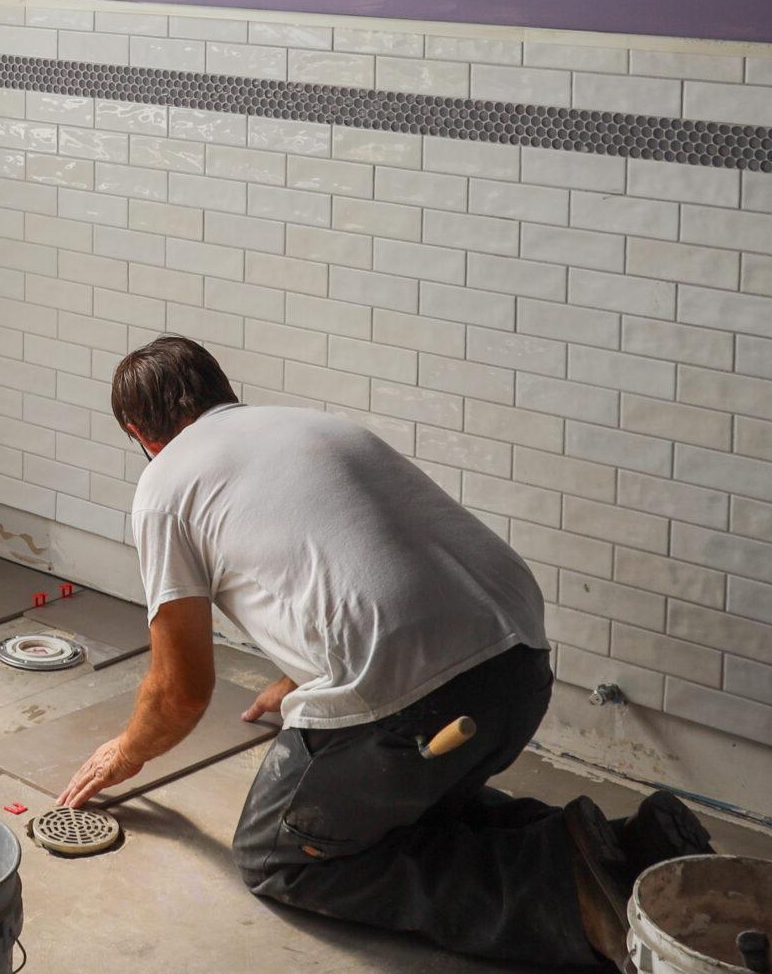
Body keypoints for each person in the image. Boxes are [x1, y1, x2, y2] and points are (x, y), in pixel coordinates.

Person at [59, 335, 711, 969]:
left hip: (426, 706)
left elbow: (180, 690)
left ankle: (564, 893)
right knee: (381, 802)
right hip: (520, 671)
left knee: (282, 850)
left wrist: (127, 749)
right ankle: (629, 850)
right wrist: (305, 672)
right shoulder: (313, 427)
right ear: (223, 390)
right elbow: (367, 559)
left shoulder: (165, 483)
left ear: (138, 433)